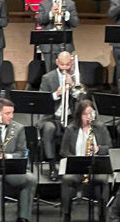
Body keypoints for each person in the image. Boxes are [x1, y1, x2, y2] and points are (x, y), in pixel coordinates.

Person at [60, 99, 112, 222]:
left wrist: (98, 149)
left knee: (103, 180)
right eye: (85, 114)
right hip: (77, 167)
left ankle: (103, 215)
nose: (88, 117)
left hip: (96, 167)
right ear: (79, 115)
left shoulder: (100, 127)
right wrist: (75, 160)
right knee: (67, 179)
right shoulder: (71, 129)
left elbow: (109, 147)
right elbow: (63, 151)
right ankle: (66, 214)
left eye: (91, 114)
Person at [38, 51, 77, 181]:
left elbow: (82, 98)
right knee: (49, 129)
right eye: (62, 64)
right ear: (57, 62)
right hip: (51, 117)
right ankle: (52, 166)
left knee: (73, 129)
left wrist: (72, 86)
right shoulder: (48, 78)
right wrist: (56, 94)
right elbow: (42, 100)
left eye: (67, 65)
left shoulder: (76, 77)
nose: (65, 68)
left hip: (70, 116)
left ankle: (69, 165)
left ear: (71, 63)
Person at [36, 0, 79, 72]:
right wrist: (50, 13)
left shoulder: (70, 4)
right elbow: (39, 20)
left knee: (65, 72)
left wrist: (67, 15)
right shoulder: (44, 4)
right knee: (50, 72)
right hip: (48, 45)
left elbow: (75, 23)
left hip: (65, 43)